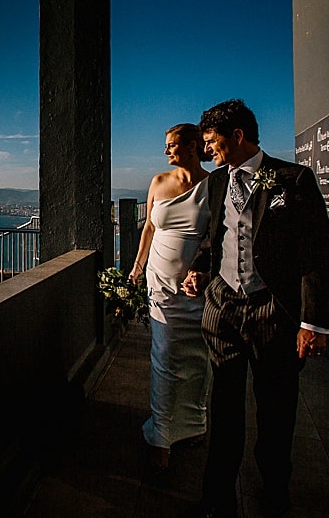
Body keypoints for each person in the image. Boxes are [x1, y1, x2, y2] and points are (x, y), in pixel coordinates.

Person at [181, 99, 329, 518]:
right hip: (223, 308)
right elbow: (215, 238)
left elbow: (316, 254)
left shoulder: (294, 179)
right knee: (224, 407)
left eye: (213, 143)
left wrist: (312, 322)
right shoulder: (215, 183)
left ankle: (275, 498)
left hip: (273, 311)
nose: (208, 151)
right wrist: (199, 270)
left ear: (238, 136)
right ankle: (217, 500)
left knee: (276, 410)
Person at [129, 123, 212, 473]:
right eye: (166, 146)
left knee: (198, 358)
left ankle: (193, 423)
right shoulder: (159, 182)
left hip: (197, 287)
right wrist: (137, 267)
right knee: (164, 354)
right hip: (160, 282)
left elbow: (220, 236)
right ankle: (161, 434)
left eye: (173, 145)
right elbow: (149, 226)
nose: (167, 152)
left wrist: (204, 272)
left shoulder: (215, 186)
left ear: (193, 146)